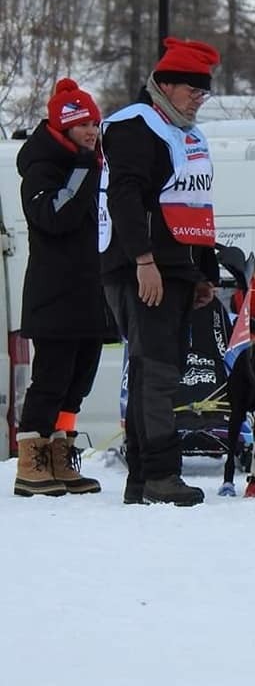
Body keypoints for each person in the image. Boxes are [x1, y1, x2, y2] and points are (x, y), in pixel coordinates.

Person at [101, 37, 221, 506]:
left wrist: (203, 272)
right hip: (143, 268)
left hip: (176, 269)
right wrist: (143, 261)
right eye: (193, 90)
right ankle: (160, 474)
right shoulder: (135, 126)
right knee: (157, 372)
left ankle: (141, 478)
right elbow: (124, 197)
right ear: (165, 85)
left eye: (204, 92)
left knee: (152, 369)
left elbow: (197, 205)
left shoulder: (186, 133)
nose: (199, 99)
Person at [13, 78, 107, 497]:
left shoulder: (93, 165)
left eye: (95, 124)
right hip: (54, 296)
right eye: (83, 124)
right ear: (64, 127)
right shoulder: (42, 169)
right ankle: (31, 461)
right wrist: (85, 167)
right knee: (50, 380)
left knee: (77, 384)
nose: (92, 131)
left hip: (90, 294)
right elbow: (55, 217)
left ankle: (60, 453)